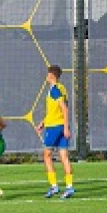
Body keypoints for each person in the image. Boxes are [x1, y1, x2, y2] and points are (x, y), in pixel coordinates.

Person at [36, 65, 75, 199]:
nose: (46, 77)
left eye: (48, 74)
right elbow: (55, 110)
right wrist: (43, 121)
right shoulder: (62, 88)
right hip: (56, 124)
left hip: (55, 127)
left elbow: (64, 109)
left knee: (47, 155)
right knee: (64, 156)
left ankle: (54, 186)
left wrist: (64, 127)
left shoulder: (55, 90)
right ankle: (69, 187)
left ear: (51, 76)